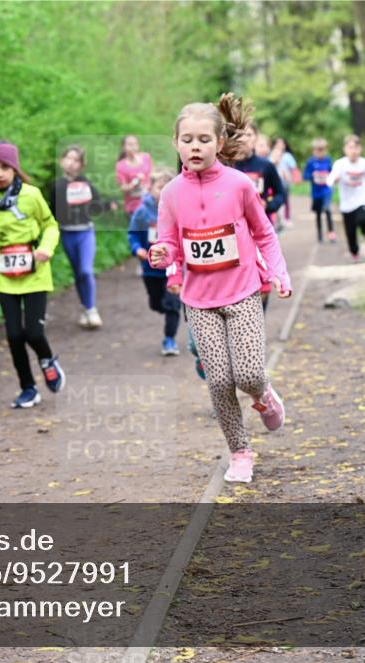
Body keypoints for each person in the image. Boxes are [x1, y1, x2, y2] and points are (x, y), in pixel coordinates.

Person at [149, 93, 292, 485]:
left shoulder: (239, 184)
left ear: (220, 144)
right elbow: (169, 244)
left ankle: (264, 396)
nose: (195, 147)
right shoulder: (171, 193)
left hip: (244, 291)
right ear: (176, 143)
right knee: (218, 381)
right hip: (199, 300)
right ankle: (240, 452)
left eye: (204, 140)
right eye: (188, 139)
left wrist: (279, 273)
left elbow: (264, 233)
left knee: (247, 374)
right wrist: (162, 254)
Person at [0, 140, 66, 409]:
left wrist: (46, 249)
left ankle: (48, 361)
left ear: (15, 168)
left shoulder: (31, 195)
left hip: (35, 273)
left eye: (5, 166)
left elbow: (51, 225)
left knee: (33, 333)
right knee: (14, 336)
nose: (0, 173)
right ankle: (28, 388)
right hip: (5, 277)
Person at [49, 144, 114, 329]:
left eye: (76, 160)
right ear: (61, 161)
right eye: (68, 158)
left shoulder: (86, 184)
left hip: (85, 232)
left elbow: (97, 205)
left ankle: (92, 309)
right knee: (78, 273)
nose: (71, 163)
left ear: (81, 165)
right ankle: (85, 308)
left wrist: (109, 205)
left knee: (86, 270)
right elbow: (52, 212)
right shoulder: (57, 186)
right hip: (67, 233)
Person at [127, 167, 181, 356]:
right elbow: (132, 234)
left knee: (172, 305)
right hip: (150, 269)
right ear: (150, 189)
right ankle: (166, 307)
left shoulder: (179, 210)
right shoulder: (142, 212)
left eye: (168, 187)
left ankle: (169, 339)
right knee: (156, 304)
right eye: (160, 187)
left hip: (172, 268)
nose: (164, 191)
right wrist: (137, 249)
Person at [327, 134, 365, 262]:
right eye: (350, 147)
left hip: (362, 198)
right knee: (350, 232)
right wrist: (333, 181)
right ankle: (355, 253)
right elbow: (331, 177)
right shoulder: (340, 164)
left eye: (356, 147)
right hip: (346, 204)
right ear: (345, 149)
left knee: (362, 218)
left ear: (360, 149)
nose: (353, 151)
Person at [232, 124, 286, 227]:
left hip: (262, 224)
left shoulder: (266, 165)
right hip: (235, 228)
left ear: (256, 138)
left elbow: (280, 193)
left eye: (248, 135)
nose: (244, 139)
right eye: (239, 135)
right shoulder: (227, 165)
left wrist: (269, 205)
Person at [303, 137, 335, 243]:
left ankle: (331, 233)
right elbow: (305, 175)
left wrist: (331, 177)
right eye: (318, 149)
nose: (320, 152)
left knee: (328, 210)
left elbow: (333, 173)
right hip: (316, 193)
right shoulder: (311, 162)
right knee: (318, 214)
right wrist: (312, 175)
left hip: (326, 191)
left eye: (322, 149)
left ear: (325, 149)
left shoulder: (328, 160)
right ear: (314, 150)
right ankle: (320, 234)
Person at [115, 134, 153, 217]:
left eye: (135, 144)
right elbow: (123, 188)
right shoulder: (121, 165)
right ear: (123, 147)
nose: (133, 147)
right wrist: (135, 182)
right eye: (130, 145)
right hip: (133, 206)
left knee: (152, 229)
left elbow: (152, 175)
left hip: (150, 203)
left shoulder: (146, 157)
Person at [269, 137, 299, 224]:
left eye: (282, 144)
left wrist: (294, 177)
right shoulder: (271, 154)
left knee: (286, 201)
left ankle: (286, 218)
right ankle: (276, 219)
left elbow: (293, 168)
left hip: (284, 183)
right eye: (278, 144)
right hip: (273, 183)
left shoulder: (288, 156)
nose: (280, 146)